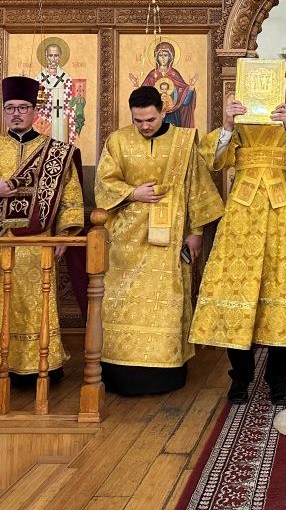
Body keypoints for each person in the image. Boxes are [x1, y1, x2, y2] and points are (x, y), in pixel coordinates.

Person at [189, 94, 286, 405]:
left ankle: (278, 378)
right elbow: (211, 159)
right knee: (238, 292)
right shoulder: (239, 124)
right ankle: (240, 377)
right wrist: (227, 123)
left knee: (279, 294)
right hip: (241, 216)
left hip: (279, 215)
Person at [0, 76, 84, 392]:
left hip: (39, 243)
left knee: (35, 305)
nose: (16, 113)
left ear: (34, 111)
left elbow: (70, 195)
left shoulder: (56, 152)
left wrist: (65, 233)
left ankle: (38, 367)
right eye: (10, 108)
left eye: (23, 107)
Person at [95, 86, 223, 395]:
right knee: (121, 302)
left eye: (150, 119)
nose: (144, 126)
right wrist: (133, 193)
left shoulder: (184, 141)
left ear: (163, 112)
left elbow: (197, 185)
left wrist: (196, 232)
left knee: (167, 302)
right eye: (138, 120)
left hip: (171, 235)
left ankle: (165, 370)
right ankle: (119, 370)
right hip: (127, 239)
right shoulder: (117, 141)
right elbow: (104, 183)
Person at [35, 42, 84, 143]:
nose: (53, 59)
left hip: (62, 119)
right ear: (46, 56)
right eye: (50, 55)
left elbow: (71, 102)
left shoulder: (66, 78)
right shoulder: (39, 78)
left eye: (56, 55)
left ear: (60, 57)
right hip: (43, 121)